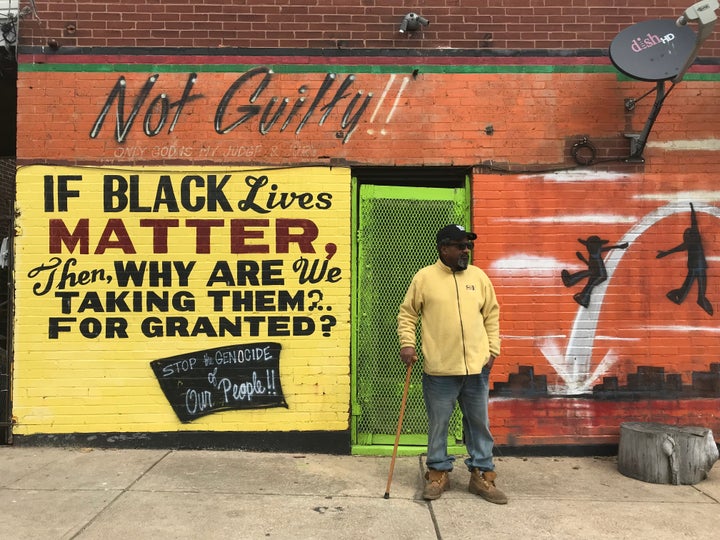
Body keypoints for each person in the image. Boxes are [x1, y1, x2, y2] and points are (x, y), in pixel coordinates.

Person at [397, 224, 506, 504]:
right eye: (459, 245)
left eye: (467, 246)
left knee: (479, 423)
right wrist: (407, 343)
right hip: (440, 370)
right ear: (443, 248)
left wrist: (492, 351)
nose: (465, 250)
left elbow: (491, 315)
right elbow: (407, 314)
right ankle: (437, 472)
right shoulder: (424, 278)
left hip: (476, 370)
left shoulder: (479, 277)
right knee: (438, 423)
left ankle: (482, 473)